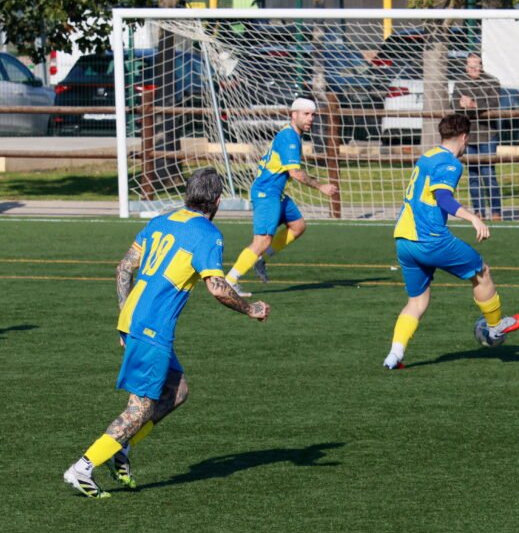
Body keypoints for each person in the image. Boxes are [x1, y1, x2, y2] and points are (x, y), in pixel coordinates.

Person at [63, 169, 270, 498]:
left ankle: (122, 447)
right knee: (140, 407)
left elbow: (124, 268)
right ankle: (83, 468)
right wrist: (250, 309)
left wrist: (125, 318)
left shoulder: (160, 221)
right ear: (217, 201)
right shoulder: (207, 234)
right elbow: (217, 288)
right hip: (152, 327)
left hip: (135, 318)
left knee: (177, 390)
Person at [383, 113, 519, 369]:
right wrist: (473, 218)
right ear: (464, 137)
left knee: (417, 302)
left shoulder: (428, 155)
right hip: (430, 239)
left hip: (404, 239)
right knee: (482, 272)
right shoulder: (451, 163)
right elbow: (443, 198)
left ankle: (394, 355)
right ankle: (495, 326)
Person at [224, 98, 339, 297]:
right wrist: (321, 186)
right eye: (306, 114)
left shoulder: (292, 134)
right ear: (294, 114)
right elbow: (296, 173)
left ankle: (261, 260)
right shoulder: (289, 138)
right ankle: (229, 281)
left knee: (298, 226)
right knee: (262, 240)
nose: (310, 119)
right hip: (266, 192)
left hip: (276, 192)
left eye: (313, 115)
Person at [452, 53, 503, 221]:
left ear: (481, 66)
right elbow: (453, 103)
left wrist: (474, 104)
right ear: (466, 67)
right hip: (469, 136)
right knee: (473, 174)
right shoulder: (460, 83)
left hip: (487, 134)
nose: (474, 68)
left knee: (488, 173)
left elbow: (493, 103)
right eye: (470, 65)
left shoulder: (492, 81)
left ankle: (496, 211)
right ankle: (478, 211)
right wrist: (460, 104)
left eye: (477, 65)